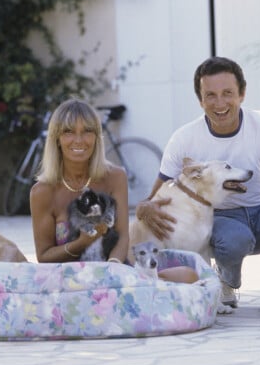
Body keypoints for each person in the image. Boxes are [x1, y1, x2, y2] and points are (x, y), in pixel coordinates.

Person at [135, 57, 260, 312]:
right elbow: (157, 192)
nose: (220, 103)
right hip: (223, 222)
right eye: (210, 95)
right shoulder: (183, 139)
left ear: (242, 94)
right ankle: (225, 279)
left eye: (228, 93)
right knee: (235, 240)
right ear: (200, 100)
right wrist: (143, 208)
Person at [30, 98, 197, 284]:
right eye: (69, 132)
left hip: (114, 274)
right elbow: (44, 257)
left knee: (188, 275)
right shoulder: (42, 191)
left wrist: (113, 270)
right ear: (57, 139)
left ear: (96, 137)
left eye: (87, 131)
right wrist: (81, 243)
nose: (79, 140)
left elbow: (122, 236)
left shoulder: (115, 177)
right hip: (68, 283)